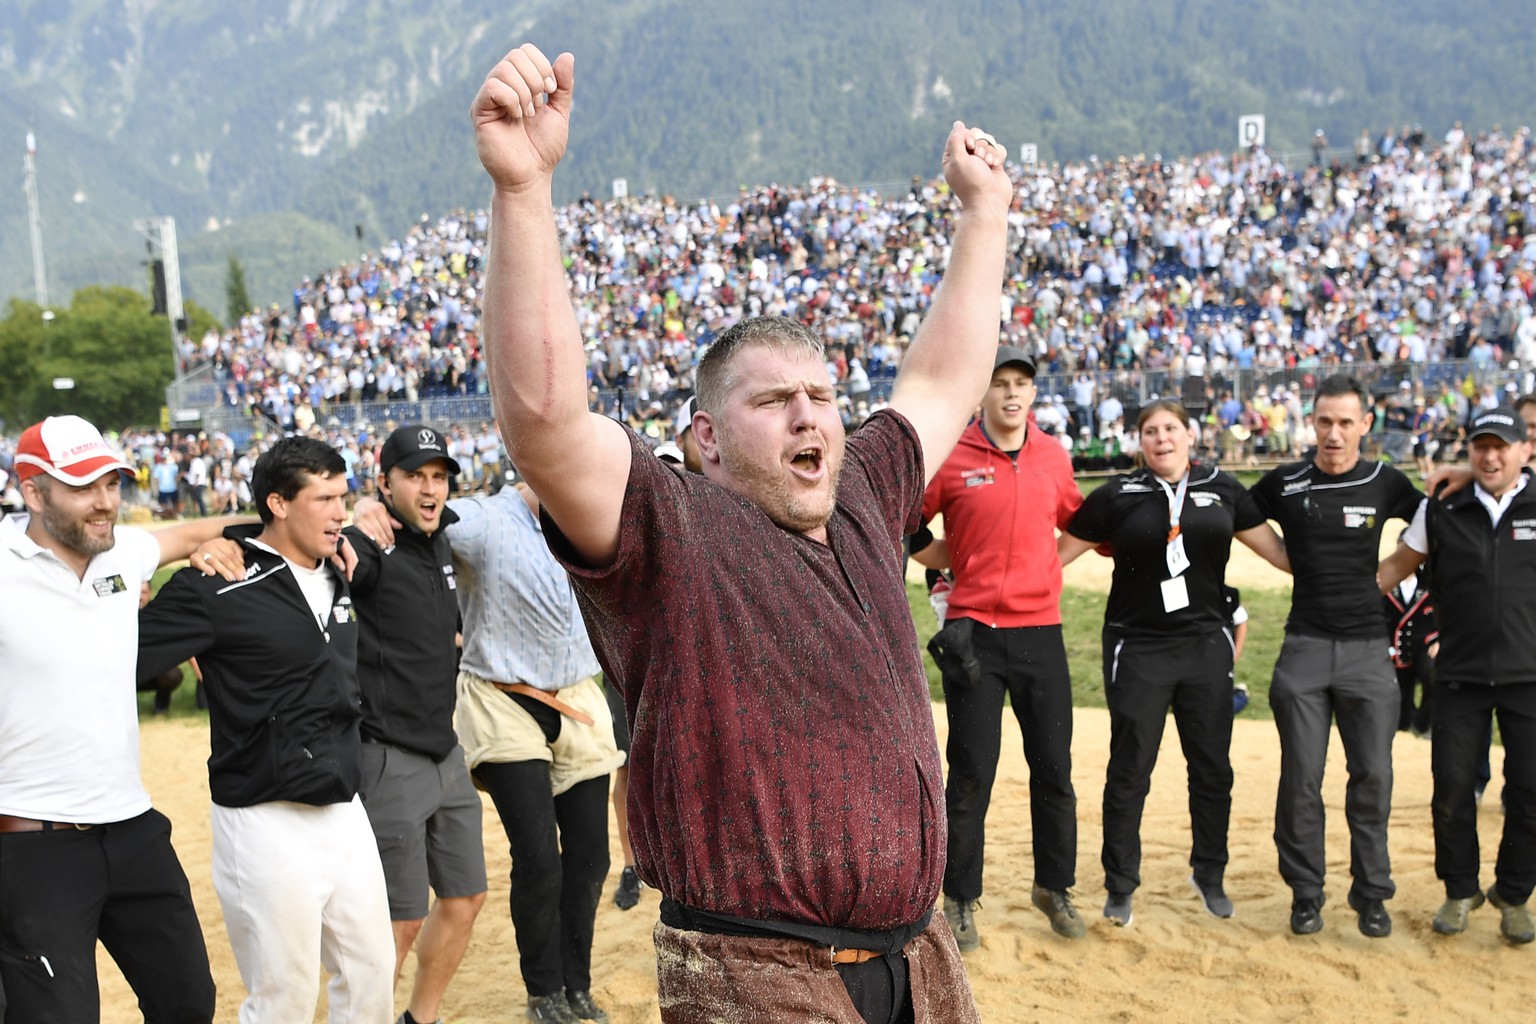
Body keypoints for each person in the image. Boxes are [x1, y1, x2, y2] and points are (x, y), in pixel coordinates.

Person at [470, 41, 1011, 1023]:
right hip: (752, 969)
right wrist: (523, 189)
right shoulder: (672, 524)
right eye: (776, 401)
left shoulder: (861, 494)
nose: (811, 416)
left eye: (821, 396)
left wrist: (986, 216)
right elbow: (546, 425)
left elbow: (942, 381)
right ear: (707, 440)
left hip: (919, 954)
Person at [137, 436, 396, 1022]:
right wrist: (203, 546)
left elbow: (381, 535)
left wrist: (369, 517)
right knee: (283, 998)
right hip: (262, 817)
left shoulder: (343, 563)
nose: (340, 512)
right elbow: (121, 655)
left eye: (345, 495)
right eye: (325, 499)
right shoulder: (215, 583)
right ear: (278, 504)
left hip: (345, 809)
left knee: (372, 978)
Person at [0, 414, 245, 1023]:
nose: (105, 502)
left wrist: (227, 539)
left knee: (189, 1003)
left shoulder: (123, 552)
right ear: (33, 491)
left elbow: (195, 531)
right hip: (35, 846)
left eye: (112, 484)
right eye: (84, 487)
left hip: (134, 829)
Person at [1059, 399, 1289, 926]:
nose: (1161, 438)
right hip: (1137, 647)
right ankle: (1120, 885)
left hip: (1206, 646)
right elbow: (1055, 557)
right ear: (1139, 442)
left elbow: (1279, 555)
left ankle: (1209, 873)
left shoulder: (1223, 488)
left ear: (1190, 435)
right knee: (1130, 770)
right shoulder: (1117, 493)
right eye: (1150, 431)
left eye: (1170, 429)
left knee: (1212, 769)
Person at [912, 345, 1086, 945]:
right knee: (970, 773)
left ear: (1033, 394)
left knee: (1054, 769)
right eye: (1000, 383)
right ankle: (960, 898)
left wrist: (1048, 567)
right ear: (982, 394)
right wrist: (950, 561)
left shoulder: (1052, 456)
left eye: (1022, 384)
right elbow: (911, 523)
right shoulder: (955, 457)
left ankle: (1053, 887)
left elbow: (1080, 525)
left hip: (1042, 633)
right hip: (974, 637)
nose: (1012, 393)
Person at [1248, 375, 1423, 938]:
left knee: (1372, 776)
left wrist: (1385, 575)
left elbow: (1433, 520)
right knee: (1301, 779)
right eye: (1325, 421)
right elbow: (1237, 515)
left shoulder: (1385, 480)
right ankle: (1306, 894)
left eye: (1346, 422)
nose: (1334, 433)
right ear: (1312, 422)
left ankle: (1372, 895)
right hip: (1303, 649)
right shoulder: (1285, 481)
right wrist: (1289, 557)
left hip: (1368, 652)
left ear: (1365, 425)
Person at [444, 482, 623, 1023]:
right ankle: (543, 991)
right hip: (502, 698)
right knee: (540, 858)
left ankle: (577, 985)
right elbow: (419, 518)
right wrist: (368, 510)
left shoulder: (596, 512)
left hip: (576, 697)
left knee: (592, 856)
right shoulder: (482, 521)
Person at [345, 425, 488, 1024]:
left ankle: (418, 1020)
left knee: (464, 897)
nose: (430, 489)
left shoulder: (444, 535)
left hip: (445, 749)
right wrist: (356, 516)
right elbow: (325, 547)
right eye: (414, 476)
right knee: (398, 919)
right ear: (385, 483)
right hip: (388, 756)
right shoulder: (371, 544)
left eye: (438, 476)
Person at [1378, 406, 1536, 945]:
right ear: (1469, 450)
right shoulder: (1441, 506)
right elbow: (1398, 566)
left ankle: (1514, 895)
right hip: (1460, 673)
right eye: (1480, 447)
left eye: (1502, 446)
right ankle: (1460, 889)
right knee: (1450, 788)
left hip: (1529, 675)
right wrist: (1335, 596)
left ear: (1525, 451)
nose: (1490, 456)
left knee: (1530, 791)